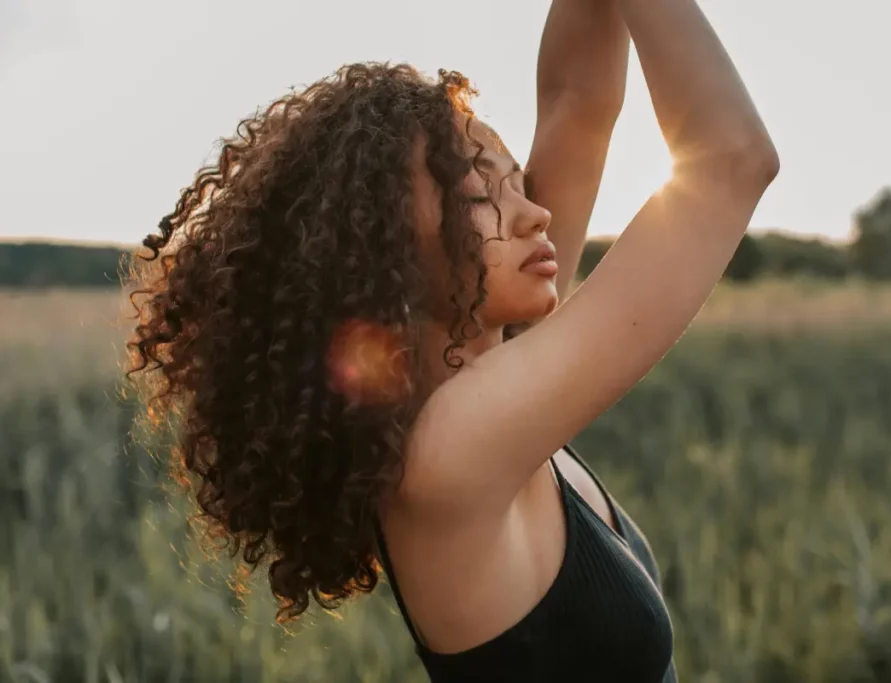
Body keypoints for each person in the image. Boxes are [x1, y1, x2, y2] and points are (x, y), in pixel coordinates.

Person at [125, 0, 778, 680]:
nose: (537, 215)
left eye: (517, 182)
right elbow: (731, 159)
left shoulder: (495, 367)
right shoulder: (451, 452)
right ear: (383, 252)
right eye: (480, 199)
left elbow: (576, 103)